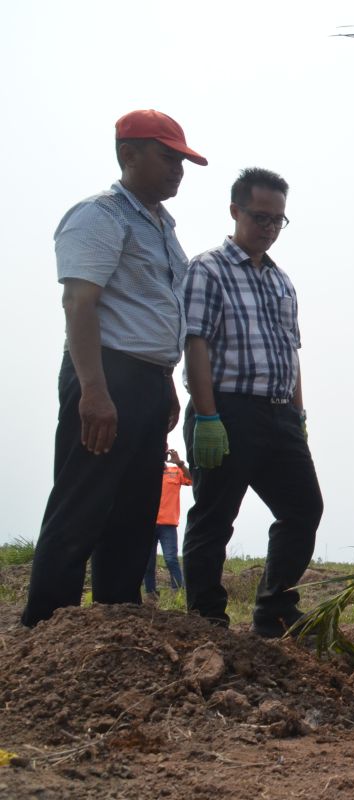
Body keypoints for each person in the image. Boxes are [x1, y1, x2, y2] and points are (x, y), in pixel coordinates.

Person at [22, 110, 206, 628]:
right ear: (129, 154)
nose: (178, 170)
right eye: (167, 157)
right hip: (106, 373)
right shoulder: (100, 215)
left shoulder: (164, 229)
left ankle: (116, 625)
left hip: (147, 380)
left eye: (182, 160)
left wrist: (166, 384)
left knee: (134, 509)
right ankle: (46, 630)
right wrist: (94, 391)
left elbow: (155, 312)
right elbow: (81, 304)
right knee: (82, 504)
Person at [181, 167, 323, 638]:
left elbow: (291, 351)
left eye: (278, 220)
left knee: (303, 508)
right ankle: (206, 618)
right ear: (235, 211)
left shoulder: (282, 282)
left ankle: (275, 609)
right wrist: (207, 416)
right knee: (215, 516)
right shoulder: (208, 268)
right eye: (260, 217)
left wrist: (298, 415)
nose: (268, 228)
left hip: (280, 413)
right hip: (228, 410)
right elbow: (195, 342)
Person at [144, 447, 190, 596]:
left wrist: (180, 464)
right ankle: (150, 594)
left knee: (171, 559)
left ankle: (178, 591)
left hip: (168, 525)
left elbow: (193, 479)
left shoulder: (175, 472)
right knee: (148, 563)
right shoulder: (145, 472)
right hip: (147, 525)